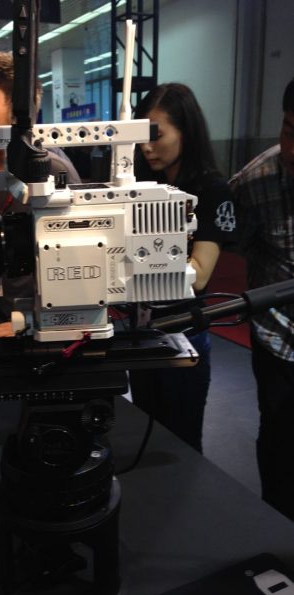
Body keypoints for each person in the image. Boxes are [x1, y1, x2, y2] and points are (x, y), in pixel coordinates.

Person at [128, 83, 237, 453]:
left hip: (184, 336)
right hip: (141, 333)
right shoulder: (142, 185)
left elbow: (199, 274)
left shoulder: (212, 190)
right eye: (142, 136)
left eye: (156, 134)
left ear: (185, 131)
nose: (147, 146)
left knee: (183, 445)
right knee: (146, 434)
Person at [0, 51, 81, 307]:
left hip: (37, 315)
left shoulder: (51, 169)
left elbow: (73, 263)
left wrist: (30, 321)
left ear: (20, 108)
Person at [229, 76, 294, 520]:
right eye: (290, 131)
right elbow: (237, 246)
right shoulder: (253, 182)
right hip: (278, 338)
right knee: (278, 441)